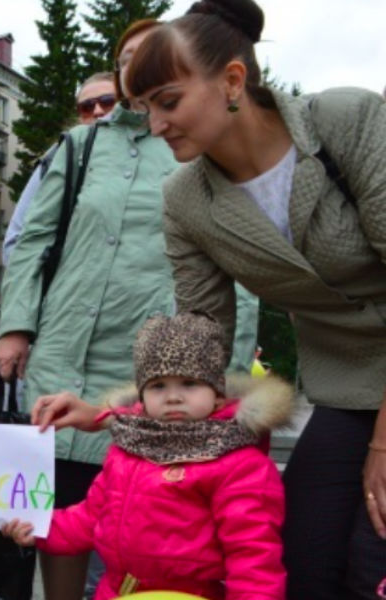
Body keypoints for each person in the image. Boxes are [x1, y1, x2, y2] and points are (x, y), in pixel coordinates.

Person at [123, 1, 386, 597]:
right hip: (347, 382)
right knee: (303, 564)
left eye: (168, 102)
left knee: (375, 560)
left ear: (233, 81)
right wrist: (122, 416)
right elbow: (201, 340)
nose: (156, 126)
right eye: (144, 111)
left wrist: (383, 444)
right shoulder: (185, 198)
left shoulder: (346, 120)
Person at [0, 19, 259, 600]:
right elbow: (33, 240)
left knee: (150, 503)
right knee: (61, 498)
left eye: (154, 57)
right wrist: (15, 328)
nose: (138, 69)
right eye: (128, 60)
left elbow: (235, 262)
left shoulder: (197, 143)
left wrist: (226, 369)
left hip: (154, 363)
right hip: (64, 347)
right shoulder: (79, 144)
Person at [6, 313, 290, 599]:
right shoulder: (128, 450)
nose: (173, 397)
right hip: (116, 591)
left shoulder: (240, 464)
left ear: (217, 394)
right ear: (141, 397)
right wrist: (39, 527)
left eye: (189, 383)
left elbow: (253, 557)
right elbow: (90, 516)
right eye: (158, 386)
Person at [3, 72, 116, 263]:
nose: (97, 111)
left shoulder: (159, 150)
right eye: (87, 107)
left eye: (108, 101)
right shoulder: (58, 158)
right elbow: (14, 242)